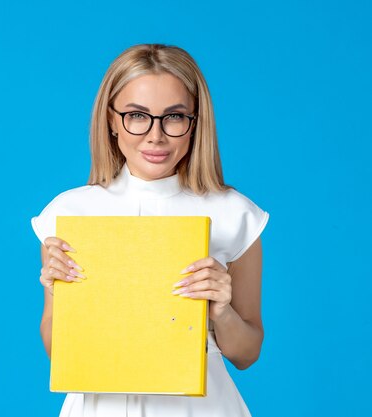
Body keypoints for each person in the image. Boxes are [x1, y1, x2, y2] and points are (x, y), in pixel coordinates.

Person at [30, 44, 269, 417]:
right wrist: (60, 294)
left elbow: (247, 353)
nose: (155, 136)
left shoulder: (233, 214)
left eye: (174, 117)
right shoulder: (69, 213)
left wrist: (221, 312)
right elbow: (57, 351)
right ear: (111, 119)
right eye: (137, 116)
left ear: (196, 121)